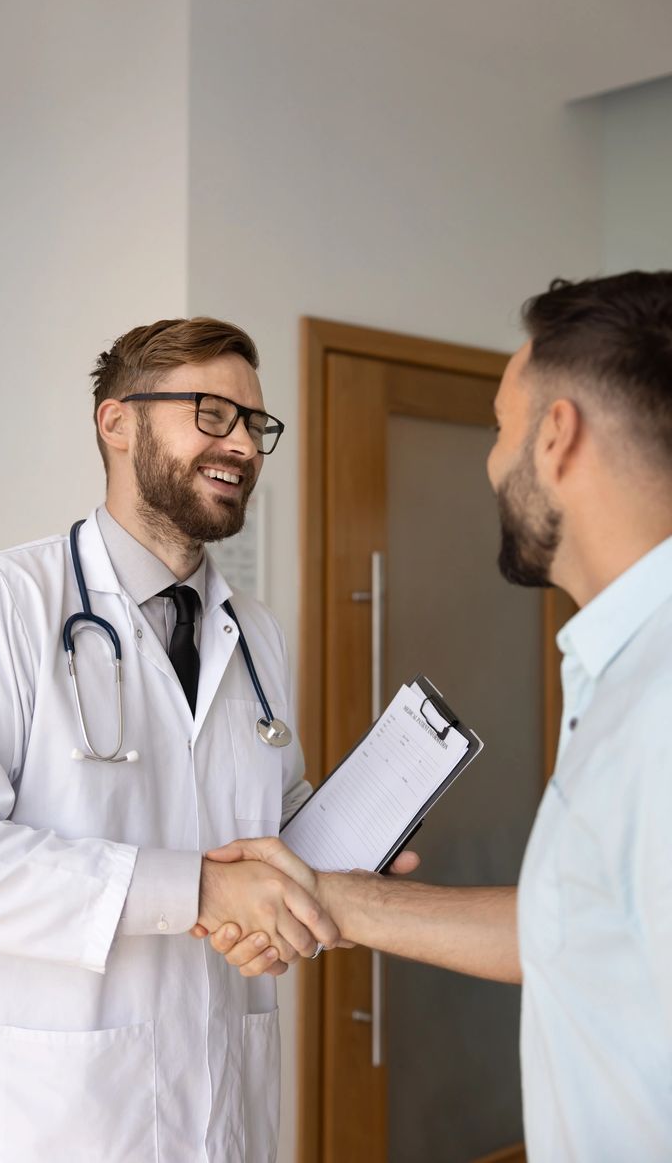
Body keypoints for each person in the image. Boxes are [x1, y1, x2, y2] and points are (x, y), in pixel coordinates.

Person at [202, 272, 672, 1162]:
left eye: (502, 429)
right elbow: (573, 926)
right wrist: (331, 896)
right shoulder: (618, 664)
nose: (494, 462)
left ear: (559, 434)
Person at [0, 317, 338, 1163]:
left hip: (221, 1114)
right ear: (116, 422)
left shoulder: (255, 632)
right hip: (40, 1122)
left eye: (254, 424)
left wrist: (349, 846)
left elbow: (267, 812)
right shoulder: (1, 602)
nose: (242, 443)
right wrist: (192, 890)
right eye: (211, 412)